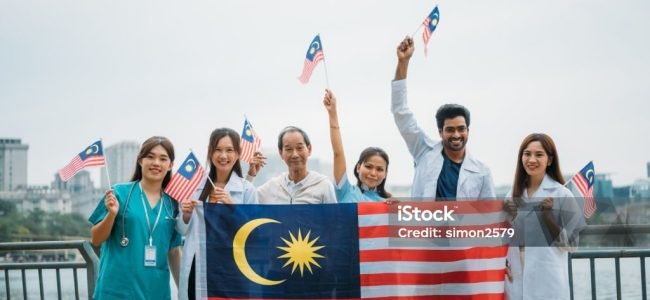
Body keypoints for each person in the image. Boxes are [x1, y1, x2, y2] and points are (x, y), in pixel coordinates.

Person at [392, 36, 495, 200]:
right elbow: (400, 112)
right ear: (440, 132)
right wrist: (403, 62)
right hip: (426, 226)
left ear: (468, 130)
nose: (456, 135)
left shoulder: (482, 172)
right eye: (450, 129)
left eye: (461, 129)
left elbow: (489, 215)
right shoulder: (423, 150)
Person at [89, 136, 182, 299]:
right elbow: (96, 238)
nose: (156, 163)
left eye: (163, 159)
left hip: (156, 292)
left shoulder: (173, 204)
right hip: (116, 291)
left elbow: (174, 250)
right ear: (140, 160)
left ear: (170, 165)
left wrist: (185, 289)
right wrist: (111, 215)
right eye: (150, 157)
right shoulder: (119, 193)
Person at [176, 128, 259, 300]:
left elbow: (254, 233)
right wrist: (186, 215)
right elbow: (182, 230)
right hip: (197, 265)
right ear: (210, 152)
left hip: (230, 266)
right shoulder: (194, 186)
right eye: (218, 150)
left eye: (229, 150)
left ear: (237, 154)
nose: (223, 156)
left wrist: (231, 206)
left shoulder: (247, 189)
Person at [503, 133, 586, 299]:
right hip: (516, 278)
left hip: (547, 280)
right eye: (527, 154)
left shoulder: (562, 194)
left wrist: (547, 218)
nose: (531, 159)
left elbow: (571, 244)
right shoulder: (511, 197)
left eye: (539, 154)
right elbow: (506, 241)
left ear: (549, 160)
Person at [323, 89, 390, 202]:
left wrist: (396, 209)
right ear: (358, 167)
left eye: (379, 169)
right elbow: (338, 154)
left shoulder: (387, 203)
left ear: (385, 174)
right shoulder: (345, 190)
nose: (373, 173)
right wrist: (332, 113)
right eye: (368, 166)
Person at [256, 126, 337, 204]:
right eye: (288, 149)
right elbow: (246, 202)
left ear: (309, 149)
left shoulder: (323, 185)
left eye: (299, 148)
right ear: (281, 153)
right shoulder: (272, 187)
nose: (295, 155)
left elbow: (334, 216)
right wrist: (251, 175)